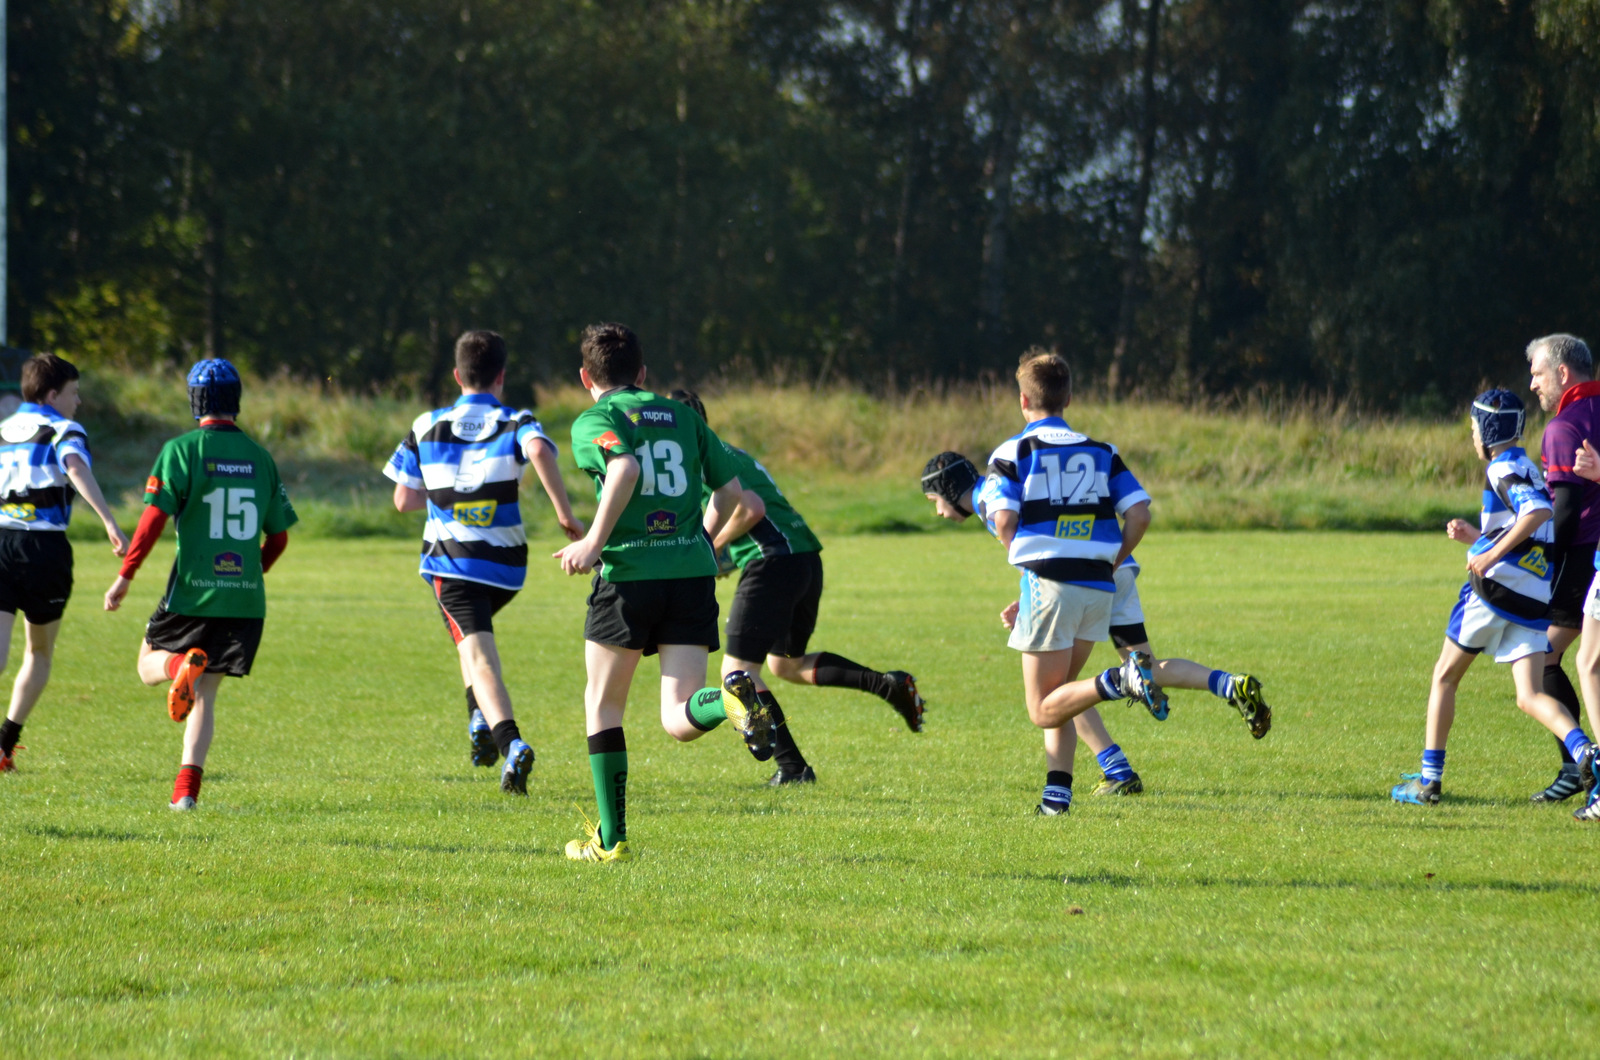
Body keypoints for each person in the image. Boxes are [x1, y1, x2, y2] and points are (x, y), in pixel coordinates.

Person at [923, 446, 1270, 801]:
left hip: (1079, 576)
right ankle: (1230, 685)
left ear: (949, 489)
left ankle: (1112, 770)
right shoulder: (1013, 482)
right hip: (1115, 565)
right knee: (1145, 665)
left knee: (1058, 689)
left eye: (935, 500)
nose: (937, 511)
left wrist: (1036, 600)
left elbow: (1036, 552)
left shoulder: (992, 501)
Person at [920, 349, 1176, 816]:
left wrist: (1028, 570)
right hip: (1098, 585)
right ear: (1069, 398)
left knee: (1043, 707)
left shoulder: (1013, 453)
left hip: (1052, 583)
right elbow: (1139, 514)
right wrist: (1111, 560)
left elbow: (1004, 521)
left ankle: (1120, 680)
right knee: (1061, 693)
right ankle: (1060, 798)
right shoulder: (1102, 450)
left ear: (1023, 400)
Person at [553, 323, 771, 863]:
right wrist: (702, 541)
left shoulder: (596, 419)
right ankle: (728, 699)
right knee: (678, 718)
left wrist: (592, 542)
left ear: (585, 377)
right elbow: (730, 491)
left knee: (603, 705)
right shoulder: (682, 416)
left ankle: (611, 841)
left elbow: (624, 467)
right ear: (643, 372)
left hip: (629, 576)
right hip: (690, 576)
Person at [668, 389, 924, 788]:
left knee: (738, 672)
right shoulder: (730, 451)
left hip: (772, 563)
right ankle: (887, 686)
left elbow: (751, 508)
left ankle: (792, 769)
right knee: (786, 663)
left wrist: (710, 548)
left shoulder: (697, 456)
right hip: (803, 558)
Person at [383, 330, 583, 793]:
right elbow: (538, 449)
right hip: (506, 566)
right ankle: (477, 718)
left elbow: (403, 499)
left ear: (457, 375)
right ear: (501, 377)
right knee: (468, 638)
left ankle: (510, 742)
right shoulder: (515, 419)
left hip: (453, 563)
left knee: (478, 654)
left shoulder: (426, 424)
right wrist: (564, 514)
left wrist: (447, 497)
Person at [103, 359, 297, 810]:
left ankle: (177, 666)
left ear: (195, 401)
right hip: (243, 600)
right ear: (236, 400)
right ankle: (185, 794)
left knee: (147, 665)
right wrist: (252, 572)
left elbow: (153, 520)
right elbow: (279, 538)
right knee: (206, 692)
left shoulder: (181, 450)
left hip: (192, 592)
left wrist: (125, 575)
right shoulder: (260, 457)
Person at [1389, 389, 1596, 806]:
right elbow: (1530, 529)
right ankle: (1587, 753)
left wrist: (1489, 555)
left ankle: (1428, 783)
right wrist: (1478, 538)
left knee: (1444, 676)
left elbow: (1536, 512)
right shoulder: (1529, 467)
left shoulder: (1502, 468)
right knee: (1529, 695)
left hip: (1494, 593)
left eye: (1472, 429)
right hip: (1532, 598)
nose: (1471, 436)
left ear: (1487, 431)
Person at [0, 353, 129, 772]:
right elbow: (75, 468)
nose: (79, 401)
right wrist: (109, 520)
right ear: (53, 395)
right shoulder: (63, 428)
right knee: (39, 653)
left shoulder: (2, 430)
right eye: (74, 392)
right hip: (43, 550)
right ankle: (4, 745)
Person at [1524, 334, 1600, 802]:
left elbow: (1567, 513)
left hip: (1582, 559)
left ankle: (1579, 763)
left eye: (1537, 373)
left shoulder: (1563, 426)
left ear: (1562, 373)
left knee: (1543, 659)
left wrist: (1544, 567)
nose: (1533, 383)